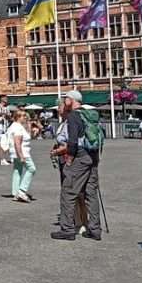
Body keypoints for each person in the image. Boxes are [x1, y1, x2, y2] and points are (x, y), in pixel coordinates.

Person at [51, 90, 103, 242]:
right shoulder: (90, 113)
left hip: (80, 156)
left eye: (66, 98)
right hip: (92, 156)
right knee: (91, 193)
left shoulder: (74, 115)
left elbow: (72, 141)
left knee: (68, 192)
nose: (65, 100)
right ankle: (95, 229)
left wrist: (69, 159)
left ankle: (67, 229)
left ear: (71, 100)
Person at [8, 109, 36, 203]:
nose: (25, 117)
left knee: (17, 170)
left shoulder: (15, 126)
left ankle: (15, 192)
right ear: (18, 117)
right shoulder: (18, 128)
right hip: (22, 152)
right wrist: (21, 155)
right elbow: (17, 142)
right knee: (31, 168)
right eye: (23, 116)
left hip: (15, 152)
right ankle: (22, 190)